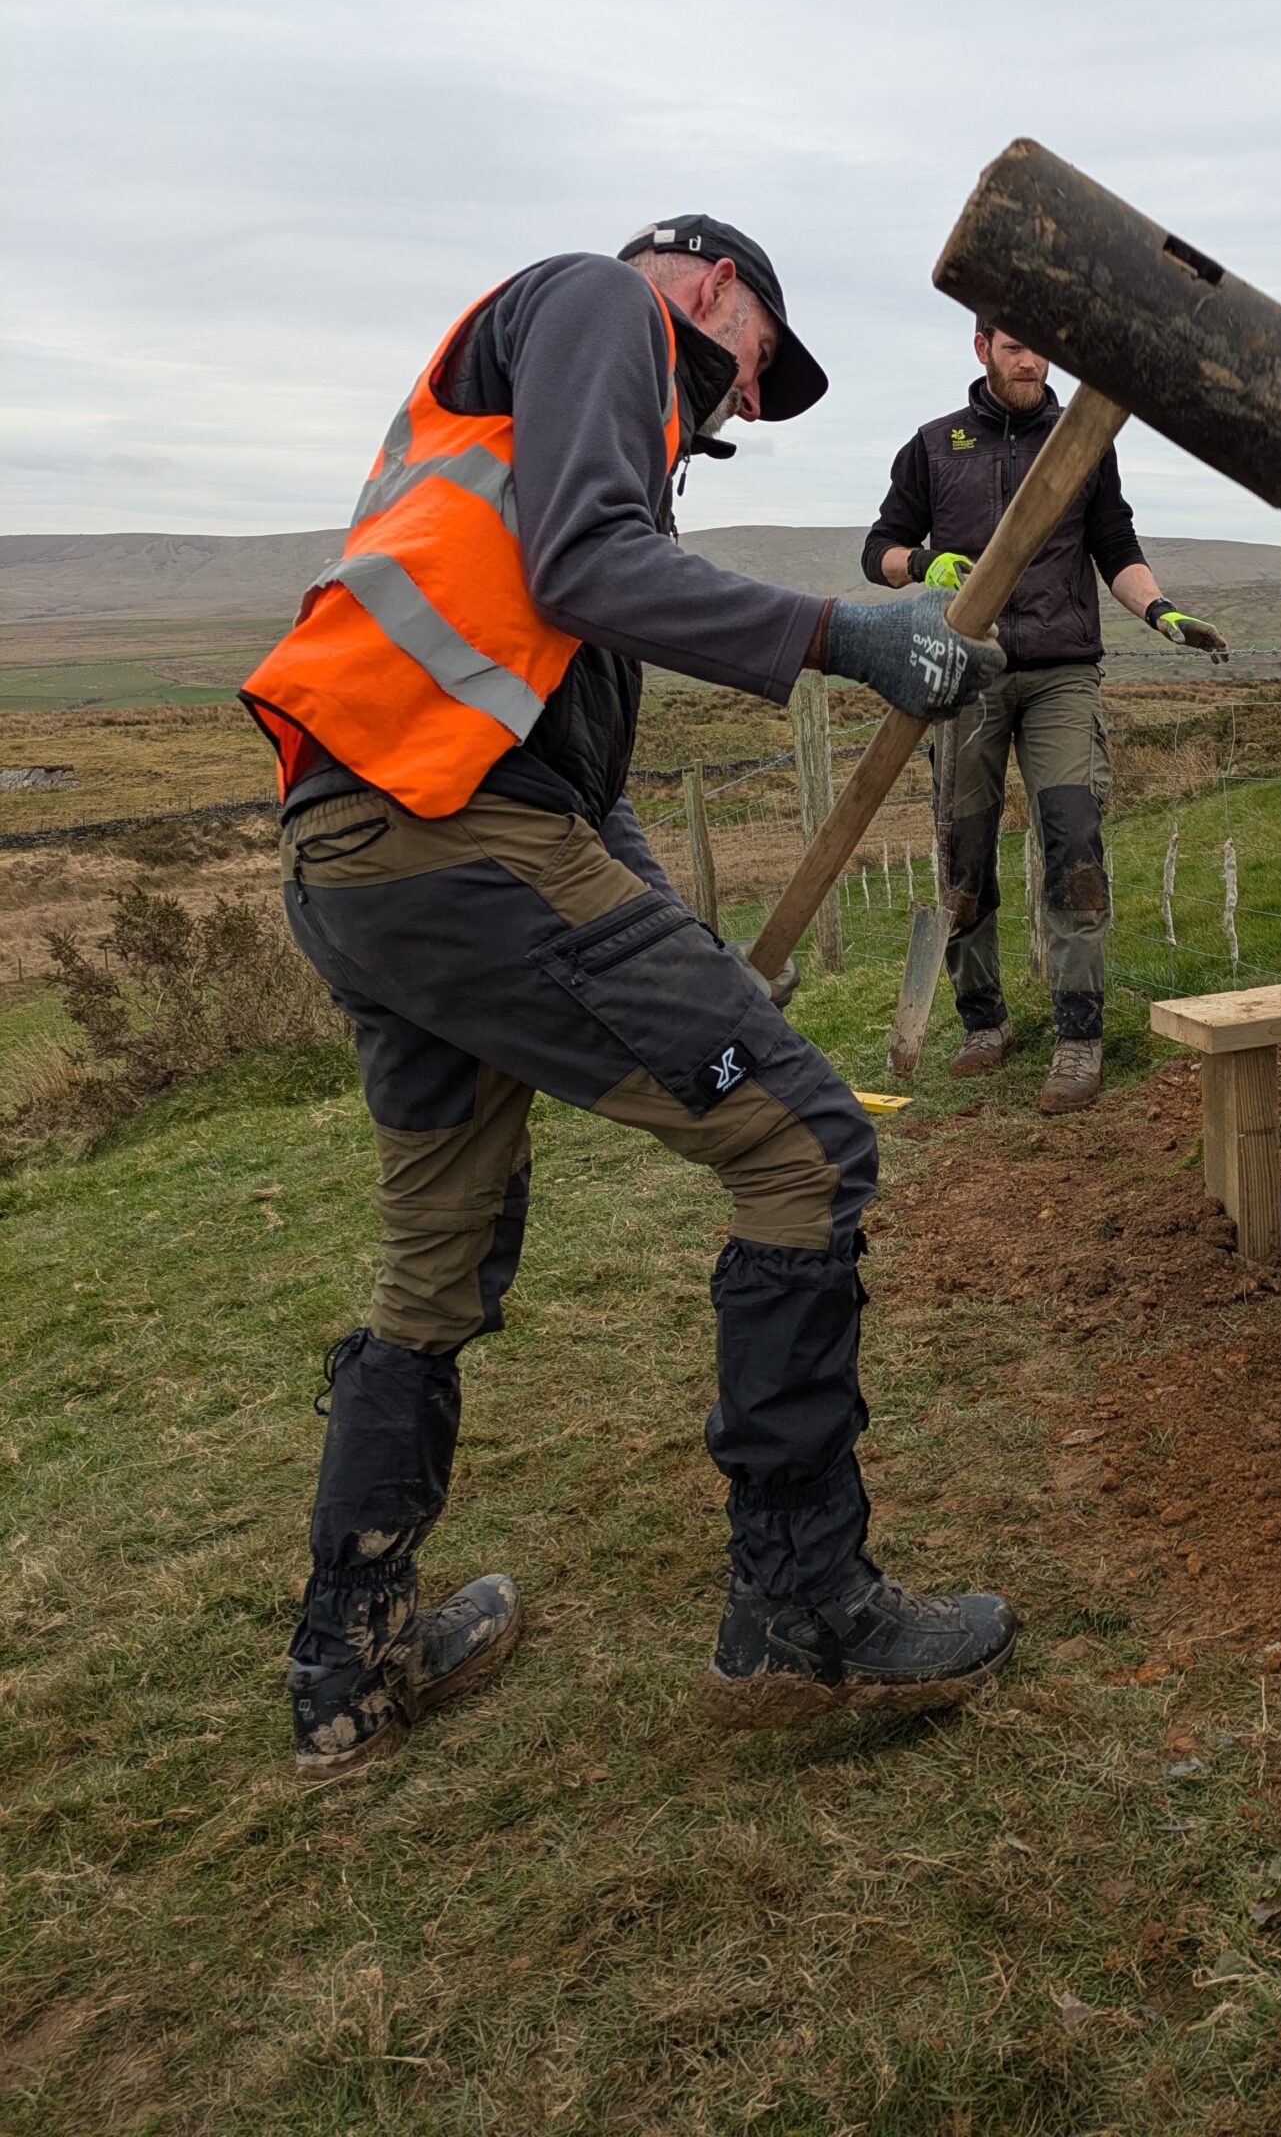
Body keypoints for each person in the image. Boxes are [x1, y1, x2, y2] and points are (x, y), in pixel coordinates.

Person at [241, 217, 1015, 1781]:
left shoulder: (530, 469)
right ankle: (800, 1606)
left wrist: (687, 954)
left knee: (434, 1262)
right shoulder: (602, 305)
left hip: (365, 853)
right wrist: (839, 636)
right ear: (709, 287)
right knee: (802, 1151)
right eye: (754, 366)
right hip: (451, 840)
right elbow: (590, 569)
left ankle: (347, 1661)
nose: (742, 404)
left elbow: (578, 792)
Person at [861, 318, 1228, 1113]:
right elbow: (878, 551)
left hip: (1063, 673)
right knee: (964, 857)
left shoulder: (1082, 442)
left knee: (1075, 846)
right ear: (982, 348)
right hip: (969, 671)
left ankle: (1078, 1037)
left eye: (1041, 349)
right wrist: (925, 562)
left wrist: (1161, 612)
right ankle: (983, 1024)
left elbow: (1115, 546)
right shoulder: (934, 446)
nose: (1031, 362)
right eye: (1014, 348)